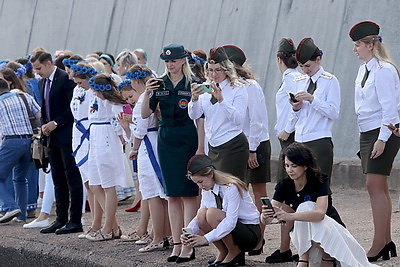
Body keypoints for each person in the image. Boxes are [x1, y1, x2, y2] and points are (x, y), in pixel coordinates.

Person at [261, 143, 378, 267]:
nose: (290, 170)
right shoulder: (284, 185)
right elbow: (267, 219)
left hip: (331, 232)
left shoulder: (319, 180)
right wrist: (265, 215)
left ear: (305, 166)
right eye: (287, 165)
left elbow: (320, 214)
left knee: (306, 206)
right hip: (308, 238)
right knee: (303, 211)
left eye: (294, 166)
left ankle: (317, 258)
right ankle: (306, 258)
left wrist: (290, 216)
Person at [141, 43, 199, 262]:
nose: (170, 64)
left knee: (188, 193)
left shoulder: (193, 83)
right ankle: (176, 243)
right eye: (167, 61)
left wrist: (201, 147)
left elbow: (200, 116)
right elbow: (145, 113)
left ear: (183, 60)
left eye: (174, 60)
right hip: (166, 139)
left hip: (187, 138)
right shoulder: (158, 84)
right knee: (172, 194)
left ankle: (189, 244)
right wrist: (147, 94)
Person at [349, 21, 400, 262]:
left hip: (384, 132)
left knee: (374, 185)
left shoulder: (384, 69)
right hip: (367, 132)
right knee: (377, 187)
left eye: (357, 44)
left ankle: (380, 243)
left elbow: (390, 110)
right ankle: (386, 241)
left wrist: (382, 140)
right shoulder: (365, 69)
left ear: (370, 45)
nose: (354, 49)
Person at [221, 44, 271, 256]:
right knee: (239, 192)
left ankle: (258, 238)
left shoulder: (249, 86)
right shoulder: (229, 86)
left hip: (255, 143)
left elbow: (257, 120)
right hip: (238, 144)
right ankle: (243, 237)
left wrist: (252, 150)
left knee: (258, 192)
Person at [31, 51, 84, 235]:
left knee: (72, 177)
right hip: (51, 137)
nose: (37, 72)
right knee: (57, 179)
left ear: (48, 63)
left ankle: (75, 219)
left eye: (39, 68)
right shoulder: (41, 82)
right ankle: (60, 218)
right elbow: (45, 108)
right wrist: (46, 127)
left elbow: (72, 108)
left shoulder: (64, 78)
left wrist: (56, 123)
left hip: (67, 135)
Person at [119, 65, 171, 252]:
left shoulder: (144, 98)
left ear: (135, 81)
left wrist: (134, 147)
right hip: (157, 142)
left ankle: (158, 237)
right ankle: (166, 234)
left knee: (152, 193)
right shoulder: (154, 95)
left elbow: (140, 129)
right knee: (161, 193)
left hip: (148, 146)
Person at [182, 154, 261, 267]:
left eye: (200, 181)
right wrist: (188, 233)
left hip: (249, 233)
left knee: (212, 214)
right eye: (197, 183)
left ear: (210, 174)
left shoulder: (231, 187)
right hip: (235, 230)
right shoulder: (207, 188)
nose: (200, 186)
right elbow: (200, 215)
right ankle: (224, 251)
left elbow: (230, 222)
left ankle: (234, 251)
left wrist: (205, 239)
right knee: (202, 214)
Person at [266, 38, 303, 263]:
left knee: (286, 192)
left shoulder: (291, 78)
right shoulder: (294, 76)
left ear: (279, 58)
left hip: (290, 139)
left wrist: (286, 129)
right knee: (288, 192)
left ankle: (285, 247)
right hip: (291, 138)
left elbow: (296, 105)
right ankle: (286, 246)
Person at [188, 46, 249, 181]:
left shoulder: (238, 89)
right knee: (215, 188)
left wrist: (222, 100)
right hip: (213, 145)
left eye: (218, 70)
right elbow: (194, 115)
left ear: (226, 70)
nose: (214, 74)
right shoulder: (207, 87)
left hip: (232, 143)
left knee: (231, 187)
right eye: (210, 70)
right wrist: (194, 99)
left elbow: (238, 120)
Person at [289, 38, 340, 184]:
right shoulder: (300, 80)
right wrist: (296, 107)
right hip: (299, 139)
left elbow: (334, 112)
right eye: (301, 66)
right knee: (298, 186)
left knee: (319, 187)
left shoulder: (330, 81)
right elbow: (295, 115)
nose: (305, 70)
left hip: (319, 139)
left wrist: (313, 100)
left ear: (318, 59)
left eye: (308, 66)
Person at [84, 73, 127, 241]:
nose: (93, 93)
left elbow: (119, 124)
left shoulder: (113, 103)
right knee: (94, 185)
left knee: (108, 186)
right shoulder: (95, 98)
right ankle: (114, 226)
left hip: (106, 140)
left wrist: (120, 137)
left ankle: (108, 227)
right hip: (94, 138)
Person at [70, 62, 104, 239]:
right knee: (87, 183)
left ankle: (102, 222)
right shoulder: (78, 90)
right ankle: (94, 223)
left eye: (79, 82)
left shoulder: (94, 92)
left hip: (89, 134)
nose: (77, 85)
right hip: (78, 135)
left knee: (94, 182)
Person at [0, 78, 40, 223]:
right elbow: (39, 117)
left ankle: (11, 207)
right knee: (20, 178)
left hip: (11, 141)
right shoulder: (24, 96)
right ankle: (21, 215)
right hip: (29, 140)